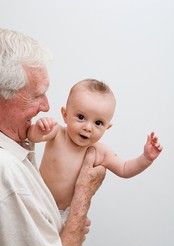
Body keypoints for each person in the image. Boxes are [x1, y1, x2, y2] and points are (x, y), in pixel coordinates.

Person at [0, 28, 106, 246]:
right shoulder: (6, 173)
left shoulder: (17, 148)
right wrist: (82, 197)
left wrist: (66, 226)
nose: (46, 106)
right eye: (37, 95)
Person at [27, 79, 163, 222]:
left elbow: (124, 169)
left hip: (65, 215)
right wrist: (40, 128)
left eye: (98, 123)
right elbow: (31, 136)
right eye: (81, 117)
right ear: (65, 115)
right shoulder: (56, 133)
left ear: (107, 127)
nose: (88, 127)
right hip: (38, 201)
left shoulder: (100, 152)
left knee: (59, 244)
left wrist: (146, 158)